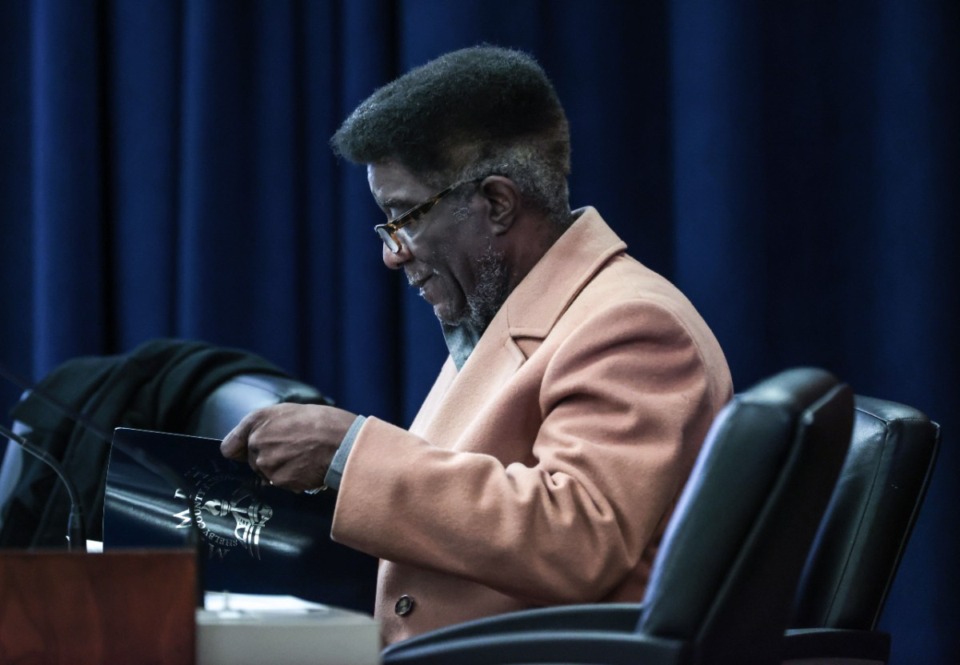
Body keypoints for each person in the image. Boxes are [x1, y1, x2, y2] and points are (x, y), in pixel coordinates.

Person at [221, 45, 733, 645]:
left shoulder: (633, 325)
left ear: (495, 203)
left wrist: (349, 452)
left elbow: (578, 537)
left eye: (405, 216)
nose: (392, 253)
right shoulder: (511, 313)